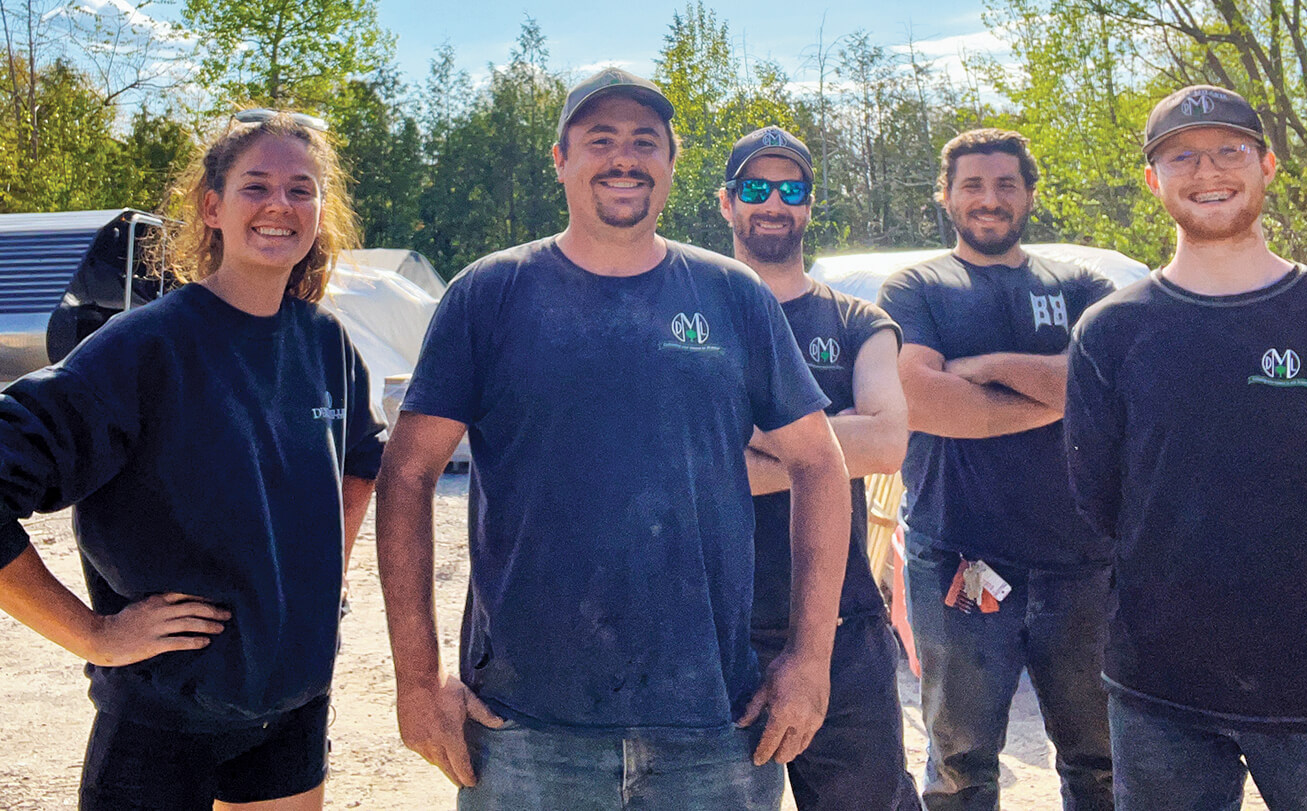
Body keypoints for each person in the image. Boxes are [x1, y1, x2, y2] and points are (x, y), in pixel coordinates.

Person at [375, 69, 850, 810]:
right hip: (524, 725)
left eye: (644, 142)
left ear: (670, 162)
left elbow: (819, 464)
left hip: (715, 723)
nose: (623, 158)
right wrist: (415, 677)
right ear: (561, 160)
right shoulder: (489, 294)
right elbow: (406, 476)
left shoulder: (733, 296)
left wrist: (809, 656)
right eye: (600, 140)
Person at [0, 109, 384, 810]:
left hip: (292, 707)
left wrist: (326, 575)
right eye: (255, 186)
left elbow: (362, 458)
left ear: (321, 211)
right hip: (163, 719)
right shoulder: (146, 346)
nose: (280, 205)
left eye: (301, 189)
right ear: (212, 207)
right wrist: (94, 633)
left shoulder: (325, 342)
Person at [1065, 84, 1307, 811]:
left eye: (1229, 151)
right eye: (1181, 156)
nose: (1206, 170)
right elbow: (1097, 499)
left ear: (1269, 165)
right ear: (1153, 181)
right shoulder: (1110, 333)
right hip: (1160, 691)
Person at [877, 128, 1117, 811]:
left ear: (1030, 195)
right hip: (958, 556)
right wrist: (1058, 392)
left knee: (1099, 761)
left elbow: (1101, 384)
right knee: (959, 766)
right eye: (973, 185)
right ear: (946, 197)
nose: (989, 199)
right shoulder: (917, 286)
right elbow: (925, 399)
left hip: (1082, 559)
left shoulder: (1080, 283)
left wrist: (984, 369)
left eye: (1005, 184)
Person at [718, 125, 922, 811]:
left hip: (842, 623)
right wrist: (823, 453)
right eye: (755, 188)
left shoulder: (859, 319)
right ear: (726, 203)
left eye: (791, 189)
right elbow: (668, 457)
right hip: (711, 624)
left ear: (809, 204)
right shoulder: (693, 310)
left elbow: (888, 442)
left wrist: (739, 450)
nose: (773, 202)